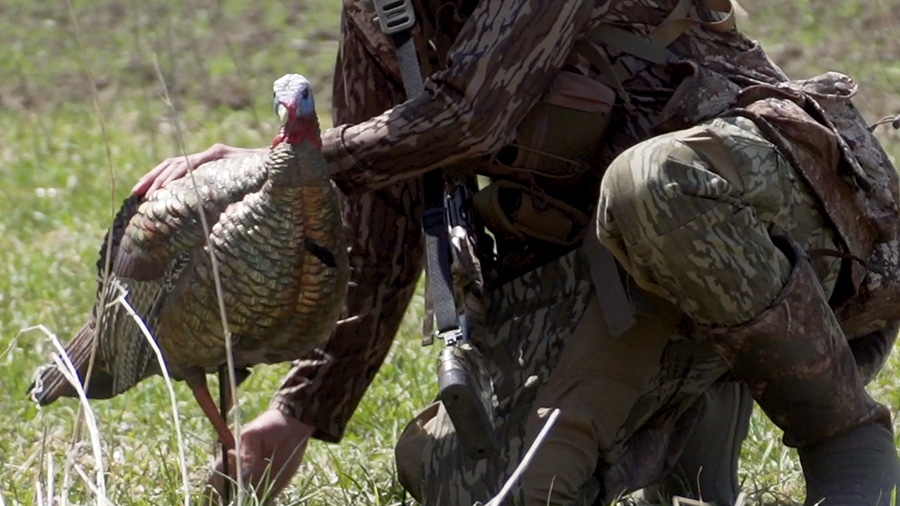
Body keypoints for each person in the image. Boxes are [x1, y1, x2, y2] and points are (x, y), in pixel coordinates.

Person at [134, 0, 900, 504]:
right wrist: (298, 412)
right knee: (470, 479)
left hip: (776, 209)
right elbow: (383, 219)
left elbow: (467, 115)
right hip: (612, 270)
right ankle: (695, 405)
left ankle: (841, 435)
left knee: (650, 184)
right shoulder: (381, 12)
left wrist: (276, 166)